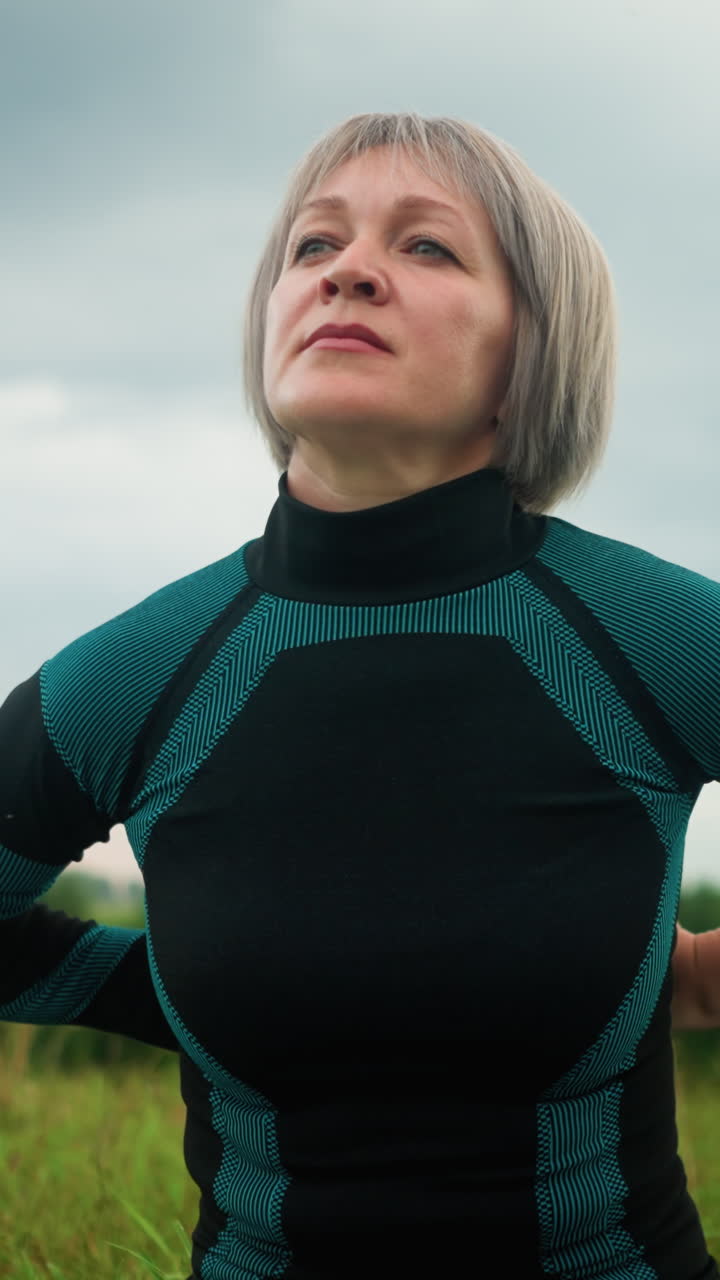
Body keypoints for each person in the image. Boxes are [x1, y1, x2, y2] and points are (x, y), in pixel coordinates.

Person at [1, 110, 719, 1280]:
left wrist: (668, 973)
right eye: (310, 245)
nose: (347, 269)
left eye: (427, 246)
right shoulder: (140, 671)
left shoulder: (649, 634)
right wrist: (178, 989)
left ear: (531, 349)